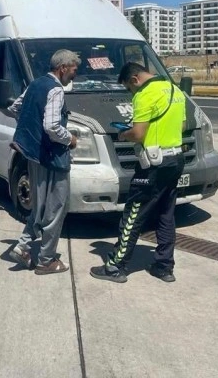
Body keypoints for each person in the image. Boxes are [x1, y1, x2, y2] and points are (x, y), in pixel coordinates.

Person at [90, 62, 186, 283]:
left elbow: (139, 133)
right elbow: (180, 127)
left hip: (153, 163)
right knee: (166, 213)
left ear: (134, 79)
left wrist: (124, 135)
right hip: (175, 159)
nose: (130, 92)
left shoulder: (144, 95)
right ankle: (164, 266)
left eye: (128, 88)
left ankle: (116, 266)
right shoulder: (175, 90)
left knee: (133, 214)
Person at [7, 49, 81, 274]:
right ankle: (46, 260)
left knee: (39, 206)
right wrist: (70, 139)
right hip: (52, 157)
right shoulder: (56, 89)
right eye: (74, 69)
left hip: (33, 154)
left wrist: (31, 132)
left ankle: (22, 247)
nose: (75, 74)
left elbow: (15, 107)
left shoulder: (36, 84)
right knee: (56, 207)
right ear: (63, 68)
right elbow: (52, 126)